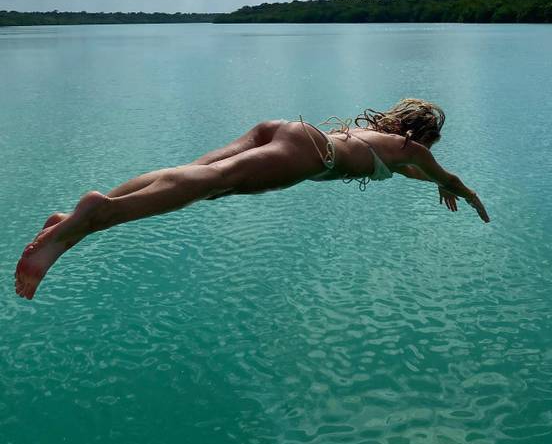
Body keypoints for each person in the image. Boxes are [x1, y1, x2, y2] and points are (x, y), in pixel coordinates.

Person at [15, 98, 490, 299]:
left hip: (286, 128)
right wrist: (467, 196)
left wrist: (438, 188)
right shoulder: (414, 151)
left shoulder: (384, 142)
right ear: (424, 134)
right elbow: (443, 173)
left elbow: (418, 176)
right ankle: (96, 215)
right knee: (206, 184)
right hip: (310, 153)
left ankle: (75, 223)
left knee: (198, 177)